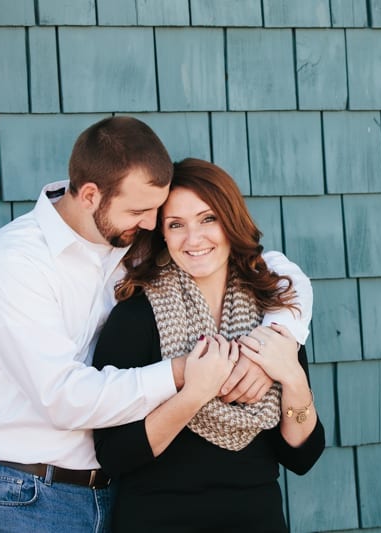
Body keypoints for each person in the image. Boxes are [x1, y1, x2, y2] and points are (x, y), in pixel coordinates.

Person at [0, 117, 312, 533]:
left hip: (101, 495)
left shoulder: (124, 243)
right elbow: (63, 398)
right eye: (141, 211)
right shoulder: (18, 263)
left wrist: (276, 342)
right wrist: (184, 373)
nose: (153, 224)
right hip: (19, 493)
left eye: (158, 212)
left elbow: (279, 271)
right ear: (90, 195)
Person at [91, 157, 325, 532]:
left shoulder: (274, 314)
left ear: (230, 222)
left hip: (256, 520)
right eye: (176, 224)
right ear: (162, 235)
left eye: (207, 219)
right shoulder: (136, 316)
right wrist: (193, 394)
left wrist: (293, 379)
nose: (194, 238)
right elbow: (114, 455)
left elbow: (301, 457)